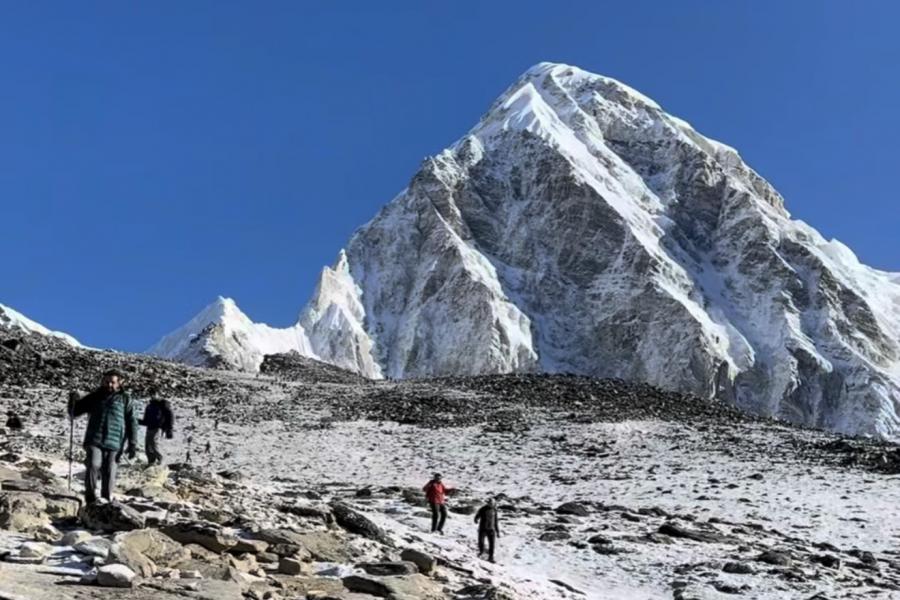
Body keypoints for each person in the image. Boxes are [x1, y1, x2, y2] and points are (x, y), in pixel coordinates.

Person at [68, 369, 139, 504]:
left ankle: (106, 499)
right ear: (102, 381)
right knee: (93, 465)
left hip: (115, 442)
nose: (109, 385)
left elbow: (132, 421)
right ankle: (90, 498)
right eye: (106, 382)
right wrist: (73, 400)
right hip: (94, 439)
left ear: (119, 383)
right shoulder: (94, 396)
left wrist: (132, 443)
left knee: (110, 469)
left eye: (112, 382)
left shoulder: (125, 399)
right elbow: (75, 412)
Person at [139, 391, 174, 466]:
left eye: (155, 394)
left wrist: (169, 429)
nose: (153, 396)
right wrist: (136, 421)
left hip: (158, 428)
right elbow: (146, 420)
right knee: (148, 446)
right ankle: (151, 462)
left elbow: (170, 416)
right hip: (149, 428)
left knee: (154, 444)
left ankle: (161, 459)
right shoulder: (149, 406)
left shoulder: (163, 404)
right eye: (151, 394)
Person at [474, 498, 500, 562]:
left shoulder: (494, 510)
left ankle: (491, 557)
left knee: (492, 544)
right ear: (488, 503)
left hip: (491, 529)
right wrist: (476, 519)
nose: (491, 504)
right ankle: (481, 553)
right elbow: (477, 515)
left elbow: (496, 521)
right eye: (490, 503)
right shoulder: (483, 509)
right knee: (481, 542)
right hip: (483, 528)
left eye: (492, 503)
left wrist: (497, 531)